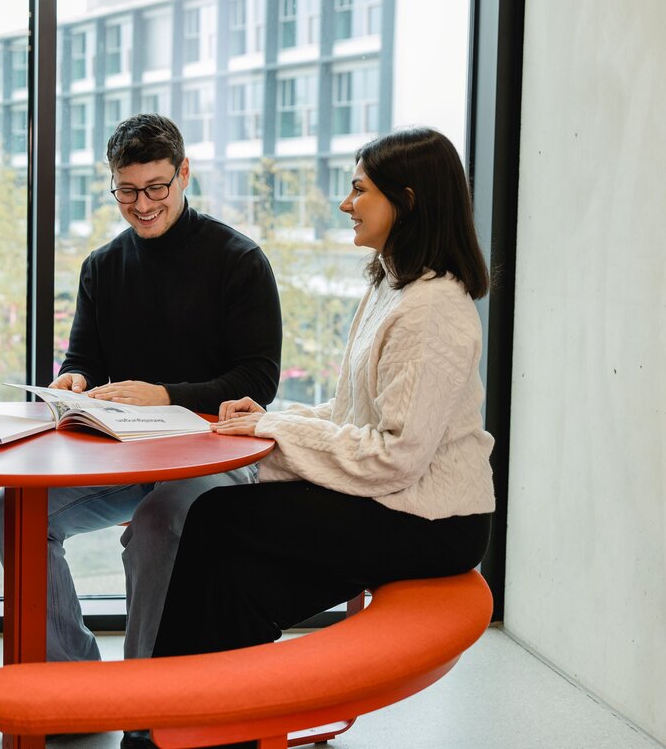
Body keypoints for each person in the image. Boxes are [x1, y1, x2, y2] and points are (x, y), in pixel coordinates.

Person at [151, 126, 495, 664]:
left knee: (218, 517)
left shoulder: (430, 310)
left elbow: (395, 456)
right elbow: (352, 412)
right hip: (398, 501)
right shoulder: (392, 286)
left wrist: (274, 429)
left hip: (435, 520)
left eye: (359, 190)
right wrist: (270, 417)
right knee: (236, 580)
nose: (345, 204)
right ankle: (199, 701)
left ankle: (172, 699)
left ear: (406, 201)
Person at [0, 114, 283, 673]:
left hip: (215, 455)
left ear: (184, 174)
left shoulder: (239, 261)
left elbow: (257, 379)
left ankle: (143, 696)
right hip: (129, 454)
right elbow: (83, 360)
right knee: (12, 511)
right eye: (127, 191)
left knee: (157, 524)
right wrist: (74, 381)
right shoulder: (102, 266)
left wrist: (165, 395)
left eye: (156, 188)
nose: (142, 204)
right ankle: (73, 678)